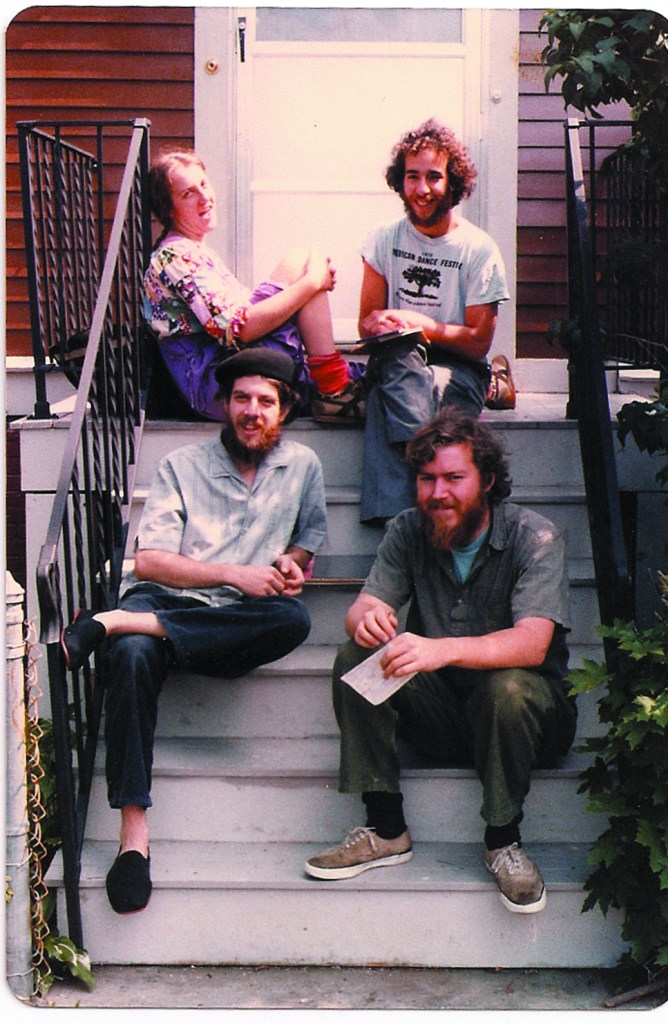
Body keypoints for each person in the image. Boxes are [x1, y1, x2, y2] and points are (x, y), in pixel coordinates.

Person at [60, 347, 328, 914]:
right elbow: (151, 562)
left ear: (283, 410)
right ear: (224, 404)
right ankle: (134, 836)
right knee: (132, 655)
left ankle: (112, 622)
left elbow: (307, 540)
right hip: (168, 596)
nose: (251, 411)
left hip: (234, 620)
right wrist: (234, 573)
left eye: (265, 401)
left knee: (294, 619)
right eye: (241, 398)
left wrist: (289, 565)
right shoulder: (181, 464)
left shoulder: (304, 466)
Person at [305, 408, 577, 914]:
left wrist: (441, 648)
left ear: (487, 481)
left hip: (529, 721)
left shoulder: (534, 536)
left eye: (454, 478)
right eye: (427, 479)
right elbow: (365, 606)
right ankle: (386, 828)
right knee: (356, 657)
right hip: (446, 714)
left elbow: (532, 643)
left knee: (507, 687)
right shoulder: (409, 529)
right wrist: (366, 619)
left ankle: (503, 841)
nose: (438, 493)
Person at [357, 118, 514, 523]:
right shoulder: (383, 238)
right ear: (400, 181)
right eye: (412, 176)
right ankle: (430, 470)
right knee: (398, 355)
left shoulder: (478, 249)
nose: (422, 189)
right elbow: (365, 322)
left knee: (385, 401)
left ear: (453, 182)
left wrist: (420, 323)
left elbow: (478, 342)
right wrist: (379, 325)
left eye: (433, 177)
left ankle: (398, 523)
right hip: (399, 360)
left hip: (459, 367)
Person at [144, 147, 365, 423]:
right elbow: (241, 330)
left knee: (306, 261)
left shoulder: (196, 252)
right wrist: (311, 283)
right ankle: (334, 391)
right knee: (301, 263)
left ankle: (333, 383)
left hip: (232, 363)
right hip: (218, 382)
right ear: (169, 210)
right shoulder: (175, 257)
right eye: (188, 193)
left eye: (204, 184)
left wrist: (308, 284)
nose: (204, 198)